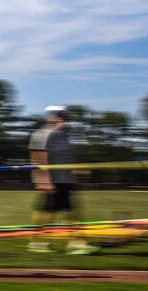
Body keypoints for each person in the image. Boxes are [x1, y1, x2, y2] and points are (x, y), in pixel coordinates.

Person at [27, 105, 99, 255]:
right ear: (50, 117)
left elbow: (71, 157)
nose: (63, 119)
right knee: (48, 212)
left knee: (69, 211)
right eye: (60, 115)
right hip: (53, 180)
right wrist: (43, 181)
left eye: (64, 116)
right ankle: (40, 243)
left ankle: (74, 243)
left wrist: (78, 174)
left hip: (66, 179)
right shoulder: (42, 134)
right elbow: (38, 159)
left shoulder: (64, 135)